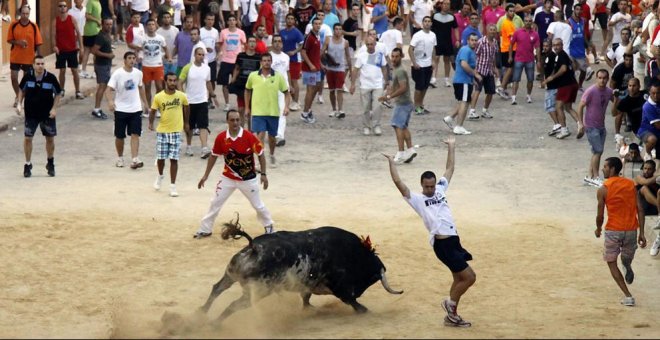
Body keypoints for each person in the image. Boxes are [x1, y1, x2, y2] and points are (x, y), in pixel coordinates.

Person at [384, 135, 476, 328]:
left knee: (459, 278)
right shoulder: (416, 199)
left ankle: (451, 317)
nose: (430, 189)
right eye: (427, 187)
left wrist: (451, 146)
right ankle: (449, 304)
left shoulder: (441, 189)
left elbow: (450, 169)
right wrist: (392, 163)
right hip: (442, 245)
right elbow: (398, 182)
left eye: (432, 186)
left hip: (454, 241)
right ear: (421, 185)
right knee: (469, 277)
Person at [194, 109, 275, 239]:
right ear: (227, 121)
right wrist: (205, 176)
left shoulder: (249, 136)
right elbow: (214, 156)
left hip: (248, 179)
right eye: (232, 120)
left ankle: (269, 226)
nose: (235, 123)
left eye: (237, 120)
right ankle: (205, 229)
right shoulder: (221, 138)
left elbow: (261, 155)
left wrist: (264, 174)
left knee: (258, 205)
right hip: (228, 178)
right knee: (215, 202)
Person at [595, 156, 646, 307]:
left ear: (612, 169)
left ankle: (628, 296)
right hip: (631, 229)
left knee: (611, 262)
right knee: (626, 257)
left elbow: (600, 215)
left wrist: (598, 229)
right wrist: (642, 233)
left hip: (613, 230)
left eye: (605, 166)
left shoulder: (604, 189)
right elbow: (640, 209)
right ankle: (627, 263)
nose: (603, 169)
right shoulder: (631, 185)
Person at [15, 55, 62, 178]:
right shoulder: (28, 77)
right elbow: (21, 90)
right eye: (38, 64)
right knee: (28, 138)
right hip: (31, 114)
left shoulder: (51, 78)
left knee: (50, 139)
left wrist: (54, 109)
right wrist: (19, 103)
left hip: (47, 114)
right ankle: (27, 164)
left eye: (42, 64)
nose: (40, 66)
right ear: (33, 65)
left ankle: (50, 163)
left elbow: (58, 94)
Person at [245, 53, 290, 167]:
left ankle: (272, 154)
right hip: (258, 111)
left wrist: (286, 107)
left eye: (268, 60)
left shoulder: (278, 76)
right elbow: (247, 90)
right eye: (264, 60)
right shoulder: (253, 76)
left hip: (272, 111)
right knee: (260, 135)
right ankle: (260, 158)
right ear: (261, 62)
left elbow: (286, 92)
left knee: (272, 137)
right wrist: (247, 107)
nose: (266, 63)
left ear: (271, 62)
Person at [149, 72, 190, 197]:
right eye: (170, 80)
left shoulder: (182, 96)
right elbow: (153, 111)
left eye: (174, 80)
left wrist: (187, 123)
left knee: (174, 159)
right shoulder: (158, 97)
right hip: (162, 131)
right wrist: (150, 123)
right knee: (161, 158)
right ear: (165, 81)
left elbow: (187, 108)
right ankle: (160, 176)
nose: (172, 83)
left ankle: (173, 186)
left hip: (177, 131)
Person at [106, 51, 149, 169]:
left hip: (135, 109)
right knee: (120, 136)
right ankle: (120, 158)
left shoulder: (138, 73)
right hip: (121, 109)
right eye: (129, 58)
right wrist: (110, 101)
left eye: (133, 58)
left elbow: (141, 88)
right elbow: (108, 89)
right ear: (124, 60)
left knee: (135, 134)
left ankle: (135, 159)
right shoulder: (118, 74)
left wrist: (145, 103)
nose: (132, 60)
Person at [379, 47, 416, 164]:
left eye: (396, 56)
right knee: (403, 126)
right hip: (405, 103)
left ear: (401, 57)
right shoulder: (397, 69)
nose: (394, 59)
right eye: (392, 56)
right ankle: (410, 150)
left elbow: (403, 87)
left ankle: (401, 152)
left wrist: (389, 97)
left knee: (397, 126)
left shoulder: (400, 70)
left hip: (402, 103)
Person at [577, 69, 614, 186]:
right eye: (600, 78)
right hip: (591, 125)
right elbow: (580, 106)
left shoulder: (609, 91)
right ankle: (596, 177)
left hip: (601, 126)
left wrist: (619, 97)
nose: (602, 80)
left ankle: (589, 176)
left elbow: (616, 104)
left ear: (607, 79)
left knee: (596, 152)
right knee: (598, 151)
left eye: (604, 78)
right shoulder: (591, 91)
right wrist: (580, 123)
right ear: (596, 78)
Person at [179, 47, 216, 158]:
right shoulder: (188, 67)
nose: (201, 56)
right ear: (194, 55)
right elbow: (180, 82)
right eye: (199, 54)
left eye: (202, 55)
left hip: (202, 100)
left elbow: (208, 82)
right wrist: (182, 95)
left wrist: (212, 93)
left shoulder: (207, 68)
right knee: (189, 126)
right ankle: (189, 146)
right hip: (189, 101)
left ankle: (204, 148)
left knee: (203, 125)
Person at [443, 33, 481, 135]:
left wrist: (473, 80)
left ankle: (450, 118)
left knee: (464, 102)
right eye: (472, 40)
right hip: (462, 81)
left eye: (475, 40)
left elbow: (468, 67)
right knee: (464, 102)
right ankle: (459, 126)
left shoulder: (472, 52)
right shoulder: (466, 50)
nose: (474, 42)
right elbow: (464, 64)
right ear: (468, 41)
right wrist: (476, 75)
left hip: (466, 81)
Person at [542, 38, 579, 139]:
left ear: (562, 45)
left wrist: (550, 79)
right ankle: (579, 124)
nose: (555, 47)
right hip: (566, 84)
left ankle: (560, 127)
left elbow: (563, 69)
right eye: (554, 45)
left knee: (555, 107)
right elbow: (571, 64)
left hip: (561, 86)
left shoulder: (559, 55)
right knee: (567, 107)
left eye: (557, 45)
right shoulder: (559, 56)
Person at [351, 37, 388, 136]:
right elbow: (355, 69)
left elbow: (384, 68)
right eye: (368, 44)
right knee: (365, 107)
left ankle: (376, 125)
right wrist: (353, 84)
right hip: (365, 84)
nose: (370, 46)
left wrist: (386, 81)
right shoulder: (361, 56)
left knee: (377, 106)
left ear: (375, 44)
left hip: (378, 84)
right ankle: (366, 126)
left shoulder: (380, 55)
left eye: (371, 44)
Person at [7, 5, 42, 107]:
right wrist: (18, 42)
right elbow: (9, 40)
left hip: (28, 58)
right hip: (15, 57)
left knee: (26, 81)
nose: (25, 16)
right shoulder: (13, 25)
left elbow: (38, 42)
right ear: (20, 13)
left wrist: (39, 57)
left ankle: (21, 97)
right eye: (23, 13)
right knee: (14, 78)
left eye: (27, 14)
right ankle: (18, 96)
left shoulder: (34, 26)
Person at [53, 1, 84, 100]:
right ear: (58, 8)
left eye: (64, 6)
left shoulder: (72, 19)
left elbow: (78, 33)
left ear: (67, 8)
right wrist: (54, 46)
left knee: (74, 70)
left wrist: (81, 47)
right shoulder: (55, 21)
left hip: (72, 49)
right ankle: (61, 90)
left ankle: (78, 91)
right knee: (62, 70)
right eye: (60, 6)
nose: (62, 8)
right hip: (61, 50)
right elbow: (53, 35)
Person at [230, 36, 262, 128]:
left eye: (254, 41)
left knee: (251, 110)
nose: (252, 43)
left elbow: (260, 71)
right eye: (250, 41)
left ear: (256, 44)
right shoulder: (240, 55)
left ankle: (250, 130)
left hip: (253, 86)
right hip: (241, 85)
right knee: (241, 109)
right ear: (247, 44)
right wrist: (233, 79)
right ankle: (241, 129)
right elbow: (237, 68)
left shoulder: (259, 57)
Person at [508, 14, 540, 105]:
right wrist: (510, 56)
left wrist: (538, 61)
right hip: (519, 59)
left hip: (530, 59)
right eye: (526, 21)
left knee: (530, 79)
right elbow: (511, 44)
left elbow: (537, 47)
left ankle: (528, 95)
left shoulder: (535, 34)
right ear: (524, 21)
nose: (528, 23)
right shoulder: (517, 32)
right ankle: (513, 97)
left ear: (532, 22)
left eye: (530, 21)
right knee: (516, 79)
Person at [468, 24, 498, 120]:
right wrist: (474, 70)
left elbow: (493, 56)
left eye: (494, 30)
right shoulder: (481, 42)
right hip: (480, 69)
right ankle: (472, 111)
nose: (492, 32)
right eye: (491, 30)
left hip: (489, 71)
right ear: (487, 30)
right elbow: (475, 55)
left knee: (491, 91)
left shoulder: (495, 42)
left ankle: (485, 110)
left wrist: (494, 67)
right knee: (477, 90)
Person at [218, 15, 246, 112]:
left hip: (237, 61)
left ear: (236, 22)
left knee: (238, 83)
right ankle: (227, 103)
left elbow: (244, 44)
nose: (232, 22)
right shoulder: (223, 32)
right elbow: (220, 43)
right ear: (227, 22)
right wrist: (219, 53)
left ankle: (240, 103)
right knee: (224, 83)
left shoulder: (241, 32)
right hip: (226, 60)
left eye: (233, 20)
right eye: (230, 20)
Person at [408, 16, 436, 116]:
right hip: (419, 65)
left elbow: (433, 49)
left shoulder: (433, 35)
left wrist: (433, 61)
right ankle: (416, 106)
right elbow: (410, 49)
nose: (427, 23)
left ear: (431, 23)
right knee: (418, 87)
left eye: (429, 21)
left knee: (425, 86)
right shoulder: (417, 35)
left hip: (428, 65)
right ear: (422, 23)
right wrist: (414, 63)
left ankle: (421, 104)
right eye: (425, 21)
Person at [142, 19, 170, 114]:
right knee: (147, 87)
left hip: (158, 65)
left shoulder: (160, 38)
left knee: (159, 86)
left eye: (152, 24)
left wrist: (168, 57)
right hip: (146, 65)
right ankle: (148, 108)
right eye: (149, 24)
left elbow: (166, 48)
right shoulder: (143, 38)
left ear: (155, 26)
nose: (151, 26)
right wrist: (137, 57)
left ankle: (157, 107)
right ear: (146, 27)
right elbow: (138, 49)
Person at [324, 24, 351, 119]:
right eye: (336, 29)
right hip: (330, 68)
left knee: (339, 89)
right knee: (331, 90)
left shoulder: (345, 42)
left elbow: (348, 56)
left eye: (340, 29)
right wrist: (323, 64)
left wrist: (351, 69)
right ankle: (333, 109)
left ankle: (340, 109)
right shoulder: (328, 40)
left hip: (340, 68)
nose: (338, 31)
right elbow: (322, 53)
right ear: (333, 30)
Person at [495, 4, 523, 99]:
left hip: (510, 48)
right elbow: (513, 38)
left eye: (513, 11)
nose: (512, 13)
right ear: (506, 12)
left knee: (508, 69)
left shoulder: (511, 22)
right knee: (509, 69)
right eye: (510, 11)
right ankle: (501, 88)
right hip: (508, 49)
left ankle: (503, 88)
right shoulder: (506, 23)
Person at [269, 35, 292, 146]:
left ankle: (280, 135)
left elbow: (287, 71)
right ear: (272, 43)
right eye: (275, 41)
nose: (277, 43)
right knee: (272, 111)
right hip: (271, 88)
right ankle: (271, 133)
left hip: (283, 88)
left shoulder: (286, 57)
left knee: (283, 111)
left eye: (279, 41)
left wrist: (290, 85)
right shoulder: (268, 57)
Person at [300, 18, 323, 124]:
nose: (318, 25)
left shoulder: (317, 36)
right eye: (316, 24)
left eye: (319, 24)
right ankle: (304, 113)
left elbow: (316, 53)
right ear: (312, 25)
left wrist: (320, 64)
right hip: (309, 69)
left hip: (317, 68)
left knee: (315, 89)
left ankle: (308, 109)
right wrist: (310, 64)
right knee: (310, 90)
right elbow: (303, 52)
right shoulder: (309, 37)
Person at [91, 18, 115, 120]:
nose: (109, 26)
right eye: (107, 24)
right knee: (102, 86)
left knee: (103, 86)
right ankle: (97, 109)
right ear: (102, 25)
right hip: (102, 65)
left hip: (105, 64)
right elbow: (94, 50)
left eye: (110, 24)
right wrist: (108, 55)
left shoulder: (107, 35)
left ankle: (97, 108)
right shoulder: (101, 36)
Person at [281, 13, 305, 112]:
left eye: (292, 19)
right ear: (285, 20)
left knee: (294, 80)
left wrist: (294, 52)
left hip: (295, 59)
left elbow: (302, 45)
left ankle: (296, 101)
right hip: (284, 59)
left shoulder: (297, 32)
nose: (290, 20)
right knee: (287, 81)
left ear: (294, 21)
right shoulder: (281, 32)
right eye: (288, 19)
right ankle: (290, 99)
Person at [431, 1, 458, 88]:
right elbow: (430, 27)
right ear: (441, 5)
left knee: (447, 60)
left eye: (448, 4)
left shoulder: (452, 17)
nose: (446, 6)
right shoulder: (435, 16)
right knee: (436, 58)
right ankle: (434, 78)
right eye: (445, 4)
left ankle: (446, 79)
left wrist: (457, 39)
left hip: (447, 41)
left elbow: (456, 28)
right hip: (437, 41)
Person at [568, 4, 595, 90]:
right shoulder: (568, 21)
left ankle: (580, 85)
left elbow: (583, 34)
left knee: (583, 71)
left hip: (580, 49)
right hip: (571, 48)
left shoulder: (583, 20)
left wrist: (587, 45)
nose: (578, 11)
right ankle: (572, 85)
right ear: (574, 10)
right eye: (577, 9)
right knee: (571, 69)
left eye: (580, 10)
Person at [611, 53, 635, 144]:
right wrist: (614, 94)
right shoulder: (619, 69)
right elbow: (612, 83)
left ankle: (629, 124)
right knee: (619, 113)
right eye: (626, 60)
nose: (628, 62)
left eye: (630, 60)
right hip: (620, 91)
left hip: (631, 89)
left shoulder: (634, 66)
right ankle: (617, 133)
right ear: (624, 59)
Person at [200, 13, 220, 108]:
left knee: (212, 80)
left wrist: (218, 52)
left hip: (212, 60)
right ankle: (203, 98)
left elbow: (217, 44)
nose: (210, 21)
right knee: (203, 80)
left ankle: (210, 98)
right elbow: (198, 45)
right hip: (202, 61)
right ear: (205, 20)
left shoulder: (216, 32)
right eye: (208, 19)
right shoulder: (200, 31)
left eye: (212, 19)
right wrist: (205, 49)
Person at [636, 82, 660, 160]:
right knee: (652, 140)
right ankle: (648, 153)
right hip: (646, 131)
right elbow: (658, 125)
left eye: (658, 93)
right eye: (653, 93)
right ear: (649, 92)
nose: (655, 96)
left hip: (657, 132)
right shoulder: (647, 106)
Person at [81, 0, 102, 79]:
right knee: (94, 51)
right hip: (91, 30)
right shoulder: (90, 2)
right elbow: (87, 15)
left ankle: (91, 71)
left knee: (90, 51)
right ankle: (87, 71)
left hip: (96, 29)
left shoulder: (98, 2)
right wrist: (97, 20)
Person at [157, 12, 180, 76]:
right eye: (165, 17)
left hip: (174, 60)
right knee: (163, 81)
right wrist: (164, 55)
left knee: (173, 81)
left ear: (171, 19)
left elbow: (178, 45)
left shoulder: (176, 30)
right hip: (162, 61)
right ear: (162, 19)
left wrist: (171, 56)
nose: (166, 19)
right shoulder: (158, 32)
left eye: (168, 17)